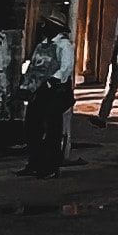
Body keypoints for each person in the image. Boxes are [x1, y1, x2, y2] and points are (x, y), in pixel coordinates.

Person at [22, 13, 74, 177]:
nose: (43, 27)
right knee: (33, 126)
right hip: (37, 90)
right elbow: (34, 67)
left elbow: (66, 68)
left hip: (54, 91)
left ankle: (51, 166)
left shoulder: (64, 45)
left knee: (52, 129)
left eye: (47, 24)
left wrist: (52, 81)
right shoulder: (42, 45)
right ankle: (34, 162)